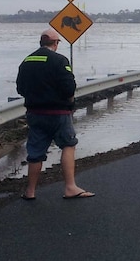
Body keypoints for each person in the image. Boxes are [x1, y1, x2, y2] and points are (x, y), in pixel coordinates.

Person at [16, 28, 94, 201]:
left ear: (41, 42)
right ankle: (70, 187)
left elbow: (20, 89)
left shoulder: (27, 61)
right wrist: (71, 103)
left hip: (35, 113)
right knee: (68, 145)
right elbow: (69, 88)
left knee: (35, 152)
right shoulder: (59, 60)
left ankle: (30, 191)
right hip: (58, 113)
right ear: (56, 43)